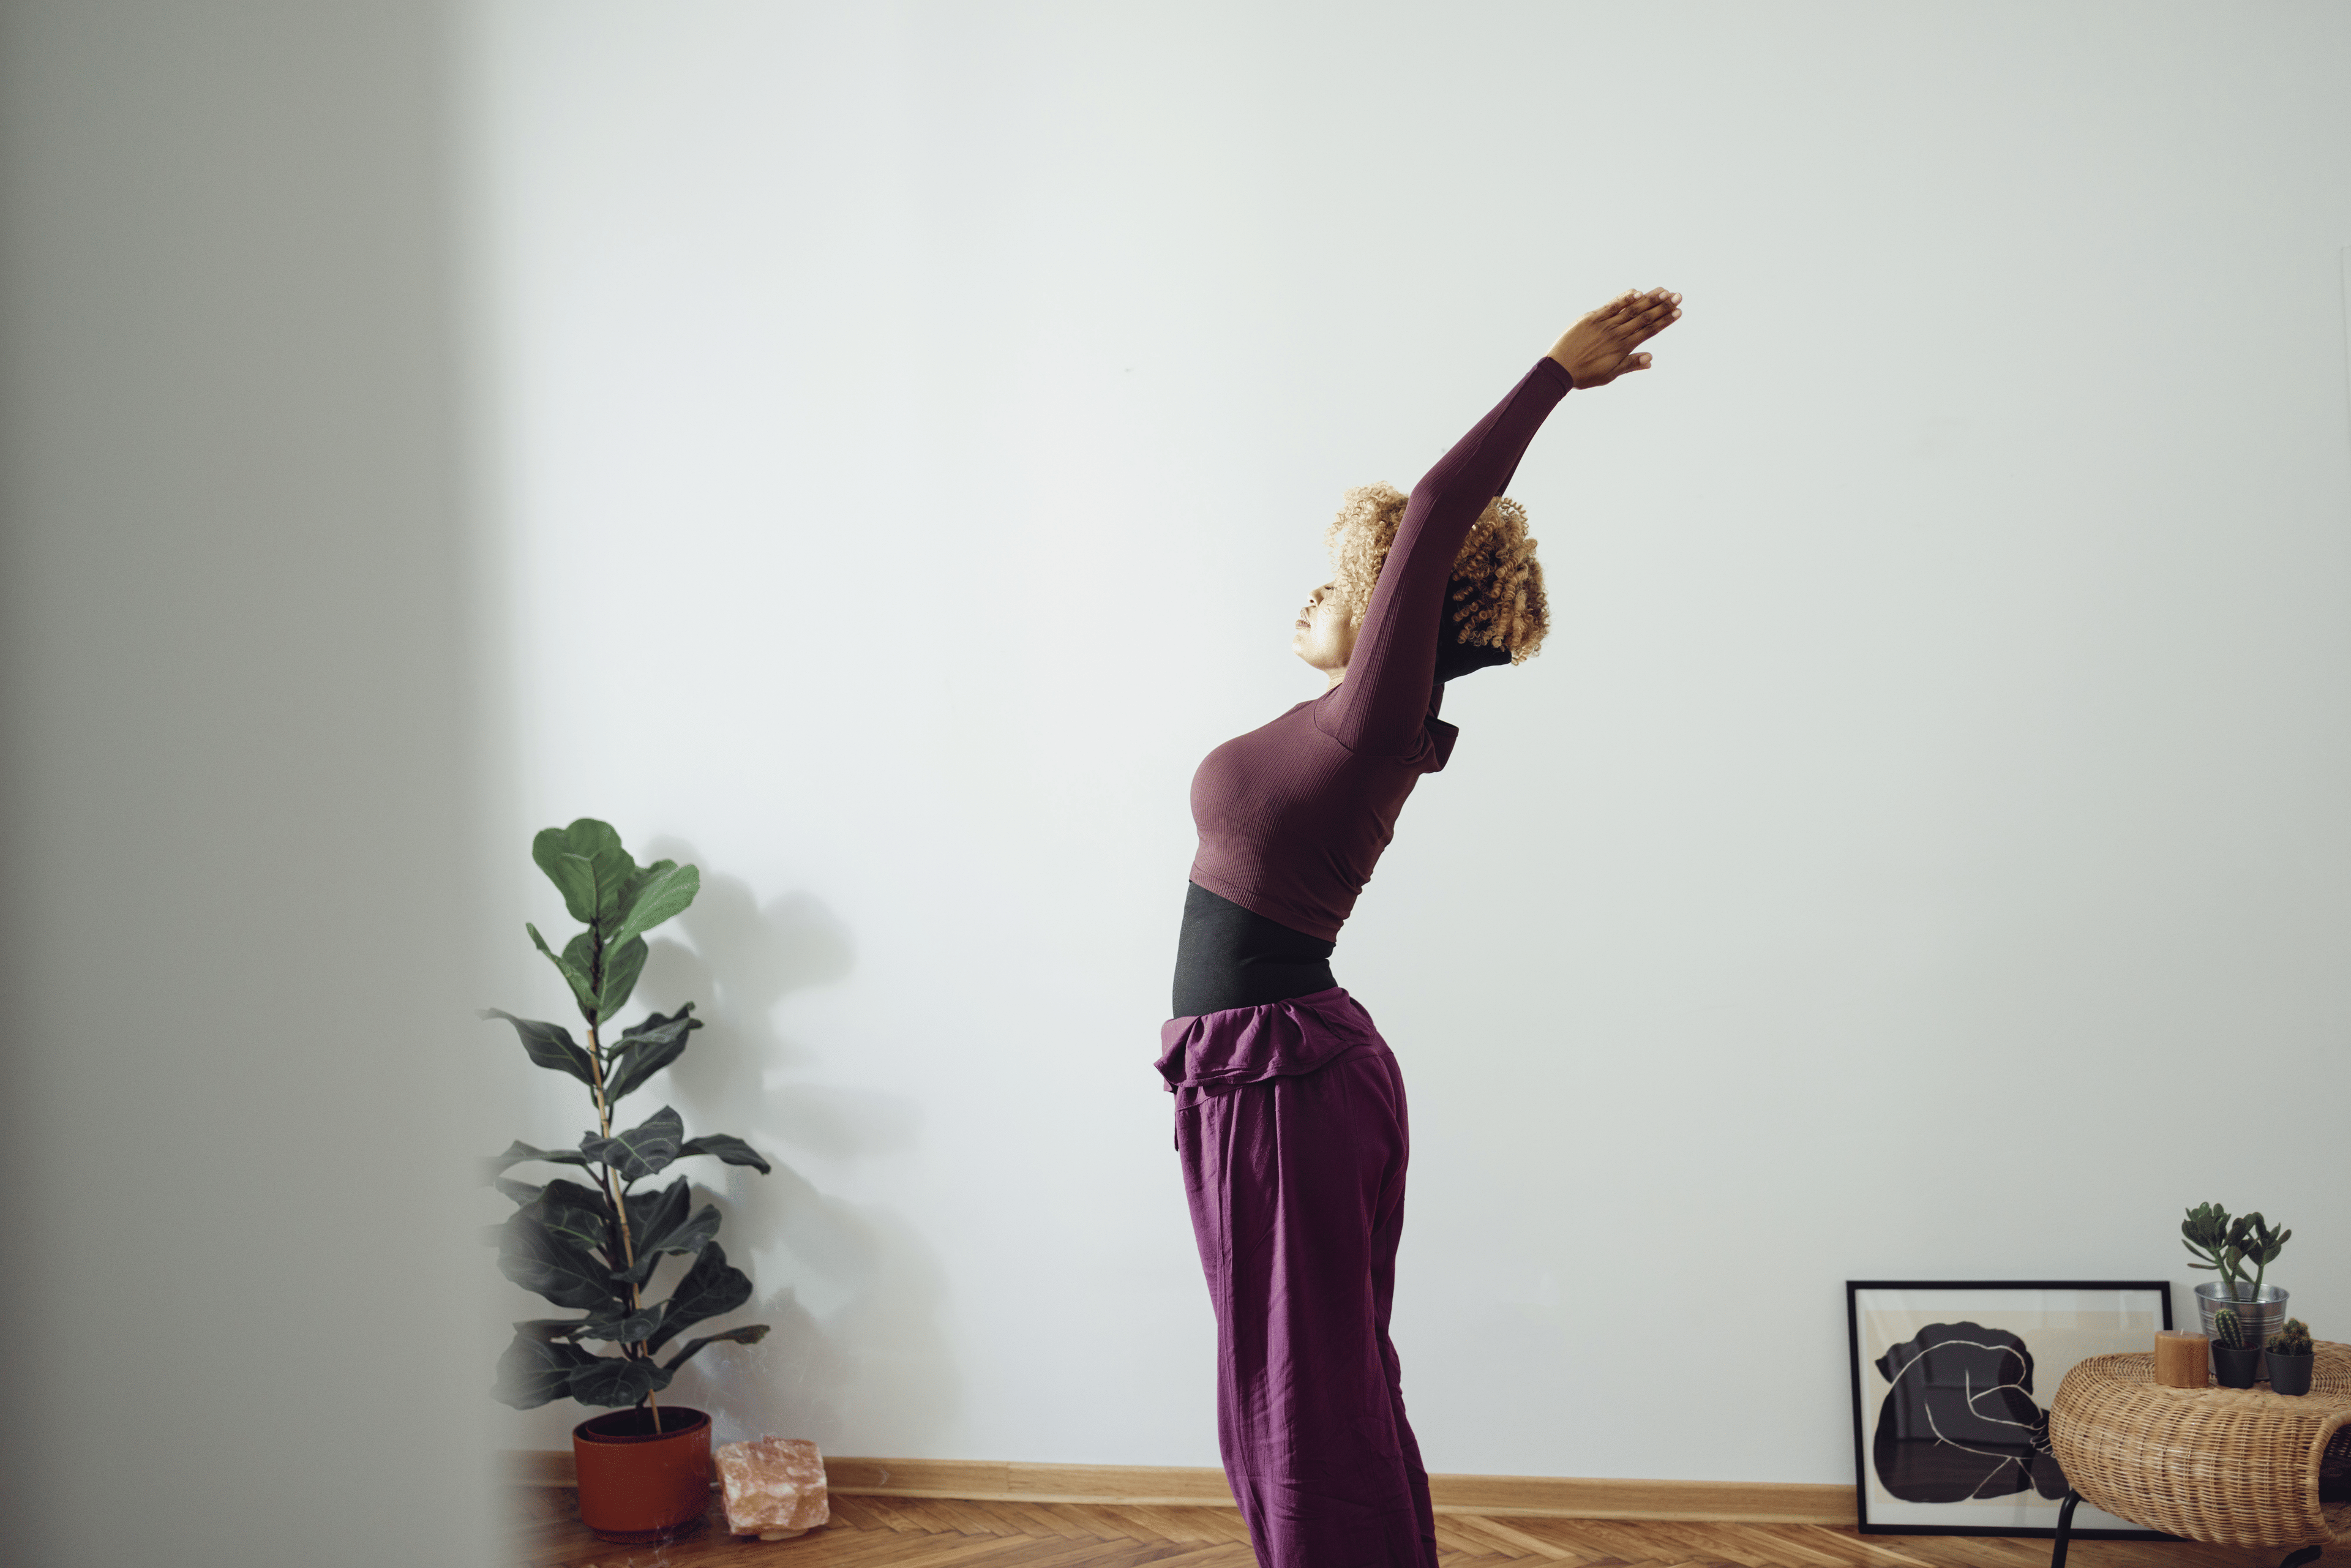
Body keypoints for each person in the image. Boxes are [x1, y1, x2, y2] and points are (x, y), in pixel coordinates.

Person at [1154, 290, 1683, 1568]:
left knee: (1308, 1388)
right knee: (1284, 1379)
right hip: (1254, 1075)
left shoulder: (1371, 724)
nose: (1310, 597)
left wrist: (1555, 372)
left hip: (1285, 1075)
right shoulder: (1331, 726)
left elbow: (1441, 514)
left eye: (1345, 582)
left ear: (1400, 608)